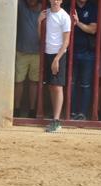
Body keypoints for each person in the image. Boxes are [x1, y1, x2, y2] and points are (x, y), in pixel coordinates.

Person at [39, 0, 71, 132]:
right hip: (46, 53)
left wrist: (57, 59)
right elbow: (40, 36)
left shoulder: (65, 16)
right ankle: (54, 118)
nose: (55, 1)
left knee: (57, 87)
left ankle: (57, 121)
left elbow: (66, 41)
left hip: (59, 54)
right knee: (51, 86)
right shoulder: (45, 14)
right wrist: (39, 22)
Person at [69, 0, 98, 120]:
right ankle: (71, 112)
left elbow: (93, 29)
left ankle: (83, 113)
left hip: (88, 53)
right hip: (71, 52)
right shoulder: (69, 6)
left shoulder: (92, 7)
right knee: (72, 84)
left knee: (85, 85)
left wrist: (77, 23)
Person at [15, 0, 42, 118]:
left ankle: (32, 110)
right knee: (18, 81)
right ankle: (16, 108)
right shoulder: (21, 6)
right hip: (21, 51)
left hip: (37, 52)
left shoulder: (44, 9)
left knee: (34, 82)